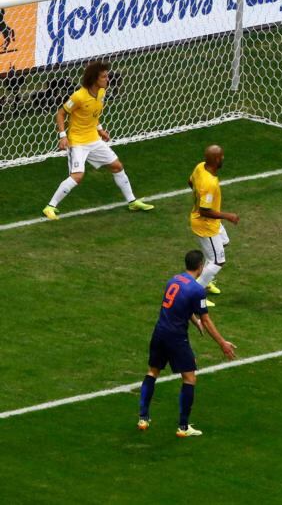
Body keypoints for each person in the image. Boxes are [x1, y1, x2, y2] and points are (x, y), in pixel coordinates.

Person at [138, 250, 237, 437]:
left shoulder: (173, 280)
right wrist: (222, 343)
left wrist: (194, 321)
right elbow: (207, 320)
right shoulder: (197, 290)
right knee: (189, 379)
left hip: (159, 332)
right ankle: (183, 427)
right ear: (200, 266)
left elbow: (180, 306)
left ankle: (143, 418)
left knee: (152, 371)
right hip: (176, 338)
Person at [42, 60, 154, 220]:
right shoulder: (79, 96)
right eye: (104, 77)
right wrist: (63, 136)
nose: (107, 79)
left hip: (93, 139)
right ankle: (50, 207)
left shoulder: (101, 93)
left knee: (117, 166)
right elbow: (60, 113)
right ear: (94, 79)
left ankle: (132, 201)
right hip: (78, 142)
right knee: (77, 176)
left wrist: (100, 130)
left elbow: (92, 115)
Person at [188, 144, 239, 297]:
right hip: (206, 225)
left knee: (223, 242)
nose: (223, 158)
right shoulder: (209, 183)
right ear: (217, 160)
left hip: (211, 223)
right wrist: (228, 216)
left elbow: (190, 182)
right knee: (218, 261)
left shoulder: (200, 167)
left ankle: (205, 277)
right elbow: (205, 210)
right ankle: (193, 293)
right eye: (222, 156)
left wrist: (198, 197)